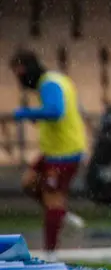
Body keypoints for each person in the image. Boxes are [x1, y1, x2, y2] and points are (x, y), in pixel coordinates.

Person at [9, 49, 88, 253]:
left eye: (18, 73)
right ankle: (62, 215)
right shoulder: (55, 80)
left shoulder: (49, 84)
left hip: (64, 152)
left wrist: (27, 113)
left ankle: (51, 253)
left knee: (52, 198)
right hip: (53, 149)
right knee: (29, 183)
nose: (19, 79)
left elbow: (56, 111)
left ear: (26, 70)